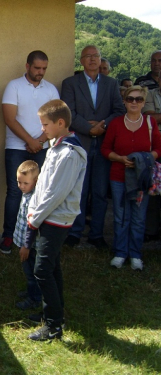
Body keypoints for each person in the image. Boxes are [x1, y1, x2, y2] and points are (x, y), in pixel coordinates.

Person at [25, 99, 87, 341]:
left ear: (60, 123)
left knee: (42, 271)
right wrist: (34, 210)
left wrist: (35, 218)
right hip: (47, 217)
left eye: (45, 124)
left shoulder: (69, 153)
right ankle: (55, 314)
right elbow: (43, 186)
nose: (42, 129)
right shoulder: (56, 147)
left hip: (56, 219)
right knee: (52, 267)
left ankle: (53, 327)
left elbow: (56, 193)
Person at [61, 45, 125, 249]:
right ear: (81, 60)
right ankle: (75, 232)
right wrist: (88, 129)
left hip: (104, 144)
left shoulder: (111, 83)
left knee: (98, 191)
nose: (92, 59)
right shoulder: (70, 83)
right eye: (87, 56)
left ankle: (96, 234)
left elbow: (118, 110)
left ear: (100, 59)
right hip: (81, 142)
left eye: (95, 56)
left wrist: (102, 125)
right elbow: (68, 112)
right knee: (78, 190)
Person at [0, 50, 59, 254]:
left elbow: (55, 120)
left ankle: (33, 237)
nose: (40, 72)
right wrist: (30, 141)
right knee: (15, 192)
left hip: (42, 148)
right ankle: (8, 236)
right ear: (27, 66)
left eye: (44, 68)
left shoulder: (51, 90)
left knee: (40, 192)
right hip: (16, 147)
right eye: (37, 68)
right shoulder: (13, 86)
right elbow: (9, 118)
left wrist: (40, 141)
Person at [101, 86, 161, 270]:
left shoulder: (150, 123)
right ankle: (120, 252)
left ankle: (135, 254)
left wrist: (143, 160)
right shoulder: (117, 124)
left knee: (138, 216)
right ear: (125, 102)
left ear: (143, 103)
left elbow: (158, 149)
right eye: (130, 99)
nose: (134, 102)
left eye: (138, 99)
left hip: (141, 178)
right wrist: (119, 158)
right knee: (120, 216)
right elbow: (105, 149)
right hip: (118, 175)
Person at [13, 160, 41, 311]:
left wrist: (26, 246)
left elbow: (32, 224)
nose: (21, 186)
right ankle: (31, 291)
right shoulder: (26, 193)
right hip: (22, 241)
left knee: (31, 272)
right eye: (19, 182)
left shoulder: (34, 198)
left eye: (25, 183)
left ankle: (34, 298)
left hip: (29, 246)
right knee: (27, 270)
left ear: (35, 181)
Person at [142, 74, 161, 242]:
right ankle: (151, 230)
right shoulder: (150, 95)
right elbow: (150, 118)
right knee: (154, 190)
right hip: (155, 148)